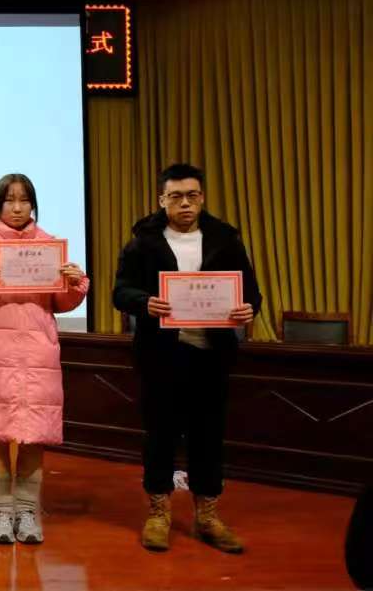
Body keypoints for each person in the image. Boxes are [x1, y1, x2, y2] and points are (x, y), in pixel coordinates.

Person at [112, 163, 261, 553]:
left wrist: (248, 309)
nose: (185, 204)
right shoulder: (143, 241)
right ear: (162, 200)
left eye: (192, 196)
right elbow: (120, 291)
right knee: (160, 434)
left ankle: (207, 516)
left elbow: (251, 293)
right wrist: (145, 302)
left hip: (211, 354)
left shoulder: (225, 240)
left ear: (202, 198)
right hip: (161, 354)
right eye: (176, 196)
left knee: (208, 435)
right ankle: (159, 514)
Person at [0, 173, 89, 544]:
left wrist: (74, 283)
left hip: (37, 355)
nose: (16, 207)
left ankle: (27, 514)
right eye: (9, 200)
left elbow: (62, 303)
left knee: (33, 437)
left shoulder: (48, 247)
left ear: (33, 204)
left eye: (24, 200)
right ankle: (1, 513)